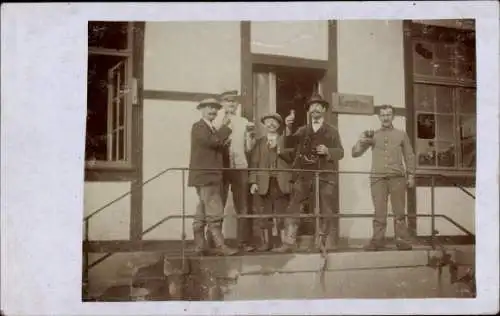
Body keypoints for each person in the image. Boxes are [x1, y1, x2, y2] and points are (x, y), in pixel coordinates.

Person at [274, 95, 345, 253]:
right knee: (294, 206)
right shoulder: (302, 130)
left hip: (326, 175)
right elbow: (288, 146)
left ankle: (323, 242)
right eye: (312, 106)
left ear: (324, 109)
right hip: (304, 175)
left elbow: (340, 152)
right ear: (309, 111)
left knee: (326, 207)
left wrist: (328, 151)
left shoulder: (332, 131)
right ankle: (289, 242)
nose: (315, 108)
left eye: (318, 105)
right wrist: (288, 128)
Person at [351, 104, 415, 251]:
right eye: (383, 115)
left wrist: (411, 175)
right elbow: (355, 153)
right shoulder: (373, 135)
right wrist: (360, 140)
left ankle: (402, 240)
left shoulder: (401, 134)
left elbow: (409, 156)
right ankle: (377, 241)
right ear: (379, 117)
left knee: (399, 210)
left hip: (397, 177)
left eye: (388, 114)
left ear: (393, 117)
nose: (386, 117)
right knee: (379, 210)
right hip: (378, 179)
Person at [187, 98, 239, 256]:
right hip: (207, 175)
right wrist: (225, 128)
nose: (213, 111)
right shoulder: (199, 127)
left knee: (203, 208)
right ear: (201, 110)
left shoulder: (211, 129)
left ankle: (200, 245)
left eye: (215, 109)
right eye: (209, 108)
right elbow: (211, 143)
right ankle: (220, 246)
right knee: (214, 209)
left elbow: (214, 145)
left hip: (208, 175)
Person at [211, 90, 257, 252]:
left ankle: (243, 242)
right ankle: (215, 243)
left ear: (237, 105)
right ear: (222, 104)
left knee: (243, 206)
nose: (231, 104)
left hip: (240, 167)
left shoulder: (244, 122)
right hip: (221, 168)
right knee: (217, 205)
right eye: (227, 101)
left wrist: (251, 137)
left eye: (233, 101)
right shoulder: (215, 122)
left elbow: (249, 148)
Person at [248, 113, 294, 251]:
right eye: (268, 122)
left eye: (274, 122)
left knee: (281, 212)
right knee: (265, 214)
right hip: (264, 183)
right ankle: (266, 243)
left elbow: (292, 158)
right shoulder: (259, 142)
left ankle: (281, 243)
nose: (271, 124)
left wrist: (279, 148)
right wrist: (253, 182)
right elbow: (254, 163)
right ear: (265, 125)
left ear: (279, 125)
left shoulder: (285, 140)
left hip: (281, 182)